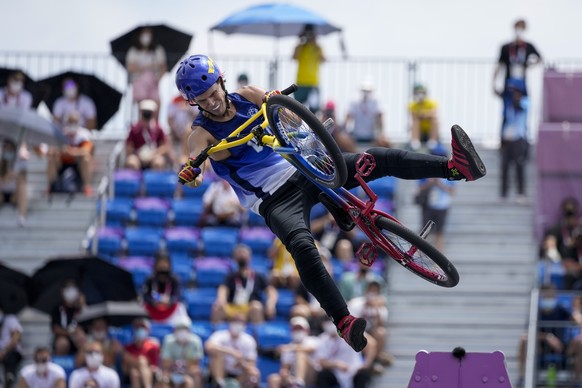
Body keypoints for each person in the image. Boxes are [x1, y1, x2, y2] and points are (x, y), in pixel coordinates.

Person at [176, 54, 486, 353]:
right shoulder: (201, 134)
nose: (210, 102)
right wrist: (191, 173)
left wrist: (280, 107)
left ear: (221, 81)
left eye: (212, 92)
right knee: (302, 246)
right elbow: (195, 168)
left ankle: (455, 168)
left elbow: (282, 110)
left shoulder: (247, 95)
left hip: (307, 165)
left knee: (377, 158)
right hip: (274, 198)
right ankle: (343, 320)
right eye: (201, 100)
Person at [211, 244, 278, 323]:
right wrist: (221, 301)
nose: (241, 255)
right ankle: (217, 333)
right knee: (217, 308)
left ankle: (258, 333)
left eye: (244, 253)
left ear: (250, 257)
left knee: (256, 307)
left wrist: (271, 304)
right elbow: (223, 289)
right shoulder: (230, 276)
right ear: (234, 258)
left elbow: (271, 291)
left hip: (249, 308)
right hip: (233, 307)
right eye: (239, 253)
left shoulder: (258, 276)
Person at [312, 318, 377, 388]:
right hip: (335, 372)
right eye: (326, 323)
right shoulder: (323, 339)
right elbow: (321, 361)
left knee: (363, 375)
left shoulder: (349, 332)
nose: (329, 325)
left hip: (355, 370)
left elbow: (371, 344)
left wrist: (366, 364)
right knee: (322, 375)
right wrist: (336, 364)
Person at [414, 146, 456, 252]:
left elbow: (452, 191)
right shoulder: (425, 171)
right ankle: (420, 257)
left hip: (442, 206)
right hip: (428, 204)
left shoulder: (450, 173)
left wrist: (439, 184)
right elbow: (419, 188)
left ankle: (438, 260)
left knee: (439, 233)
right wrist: (430, 182)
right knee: (424, 233)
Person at [347, 281, 393, 371]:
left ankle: (376, 360)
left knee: (381, 332)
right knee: (371, 342)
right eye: (371, 290)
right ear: (366, 291)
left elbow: (380, 325)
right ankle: (373, 363)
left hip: (371, 331)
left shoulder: (380, 308)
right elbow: (350, 322)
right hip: (355, 331)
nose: (372, 293)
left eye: (375, 291)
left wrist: (376, 309)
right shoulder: (356, 303)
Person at [205, 314, 260, 388]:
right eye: (236, 322)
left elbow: (251, 363)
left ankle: (237, 386)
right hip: (222, 370)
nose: (238, 325)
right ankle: (220, 384)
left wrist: (242, 363)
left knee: (254, 372)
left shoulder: (249, 340)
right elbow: (208, 346)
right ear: (230, 323)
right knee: (216, 354)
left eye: (241, 323)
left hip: (238, 373)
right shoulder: (220, 335)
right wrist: (231, 352)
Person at [46, 111, 94, 197]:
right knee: (51, 159)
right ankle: (51, 186)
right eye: (70, 122)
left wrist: (71, 151)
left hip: (77, 165)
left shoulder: (84, 135)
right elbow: (50, 151)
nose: (72, 125)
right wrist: (59, 150)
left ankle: (87, 186)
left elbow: (86, 151)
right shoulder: (61, 134)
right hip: (62, 163)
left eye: (74, 122)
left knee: (86, 158)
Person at [499, 79, 529, 203]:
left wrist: (515, 99)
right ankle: (504, 193)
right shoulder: (509, 104)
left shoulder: (525, 101)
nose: (513, 93)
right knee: (505, 166)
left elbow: (521, 108)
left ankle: (520, 193)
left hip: (519, 139)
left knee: (519, 166)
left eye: (515, 90)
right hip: (508, 139)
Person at [267, 316, 318, 388]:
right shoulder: (288, 347)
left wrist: (290, 348)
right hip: (293, 376)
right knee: (273, 378)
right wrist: (285, 374)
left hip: (312, 375)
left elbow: (311, 349)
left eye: (300, 329)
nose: (297, 331)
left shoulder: (312, 340)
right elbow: (285, 367)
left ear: (306, 330)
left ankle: (299, 383)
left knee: (300, 354)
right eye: (295, 329)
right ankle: (296, 383)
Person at [125, 99, 174, 171]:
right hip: (138, 157)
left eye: (148, 112)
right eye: (145, 112)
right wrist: (138, 155)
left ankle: (155, 182)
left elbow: (164, 146)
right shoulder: (134, 129)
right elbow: (129, 147)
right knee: (131, 162)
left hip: (153, 157)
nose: (146, 115)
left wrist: (153, 154)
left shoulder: (158, 128)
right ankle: (133, 181)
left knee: (158, 162)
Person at [142, 255, 190, 326]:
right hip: (152, 309)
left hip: (171, 309)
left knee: (183, 313)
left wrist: (169, 301)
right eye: (160, 263)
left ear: (169, 265)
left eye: (165, 263)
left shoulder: (175, 280)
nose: (163, 266)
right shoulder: (150, 279)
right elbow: (145, 296)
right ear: (156, 265)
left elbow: (177, 295)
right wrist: (153, 302)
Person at [125, 26, 167, 105]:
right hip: (139, 81)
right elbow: (130, 67)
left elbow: (163, 67)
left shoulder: (158, 50)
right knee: (142, 103)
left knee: (156, 103)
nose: (146, 36)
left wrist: (159, 77)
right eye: (144, 33)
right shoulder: (133, 51)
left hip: (154, 82)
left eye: (148, 33)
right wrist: (146, 67)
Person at [159, 317, 204, 388]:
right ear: (175, 330)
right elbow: (165, 363)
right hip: (172, 370)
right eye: (180, 329)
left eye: (185, 329)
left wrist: (182, 364)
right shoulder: (168, 340)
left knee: (196, 372)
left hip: (187, 370)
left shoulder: (195, 341)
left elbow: (196, 362)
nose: (182, 331)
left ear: (189, 330)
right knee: (163, 377)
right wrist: (177, 364)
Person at [344, 81, 390, 147]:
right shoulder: (354, 101)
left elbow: (380, 117)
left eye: (368, 91)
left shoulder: (375, 101)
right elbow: (348, 117)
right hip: (356, 135)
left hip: (372, 136)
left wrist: (381, 134)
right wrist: (346, 133)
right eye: (364, 91)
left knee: (386, 144)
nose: (365, 93)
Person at [292, 24, 324, 113]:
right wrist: (301, 41)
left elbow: (323, 59)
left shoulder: (318, 48)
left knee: (314, 109)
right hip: (301, 82)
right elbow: (294, 57)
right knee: (297, 110)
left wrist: (315, 43)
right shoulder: (300, 47)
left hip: (313, 83)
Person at [50, 280, 86, 356]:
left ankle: (83, 364)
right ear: (62, 291)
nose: (71, 291)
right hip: (65, 337)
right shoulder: (58, 309)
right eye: (68, 288)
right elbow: (55, 328)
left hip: (80, 338)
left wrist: (83, 306)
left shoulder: (81, 308)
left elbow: (88, 326)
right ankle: (61, 363)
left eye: (73, 288)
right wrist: (70, 333)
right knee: (62, 342)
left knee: (83, 340)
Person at [122, 318, 160, 388]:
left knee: (139, 365)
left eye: (142, 327)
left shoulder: (152, 346)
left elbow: (154, 367)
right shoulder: (128, 348)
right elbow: (125, 369)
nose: (140, 329)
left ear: (147, 330)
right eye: (137, 327)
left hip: (149, 373)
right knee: (135, 371)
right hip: (130, 372)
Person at [0, 139, 29, 226]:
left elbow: (23, 179)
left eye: (10, 149)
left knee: (22, 185)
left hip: (14, 195)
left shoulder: (20, 163)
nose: (8, 151)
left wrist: (14, 175)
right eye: (7, 149)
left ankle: (21, 217)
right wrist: (7, 176)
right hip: (1, 194)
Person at [408, 83, 440, 151]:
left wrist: (421, 114)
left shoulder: (432, 103)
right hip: (419, 132)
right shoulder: (412, 105)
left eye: (421, 92)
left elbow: (434, 114)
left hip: (429, 131)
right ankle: (415, 141)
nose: (420, 94)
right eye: (418, 92)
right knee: (415, 120)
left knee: (434, 120)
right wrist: (426, 114)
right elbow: (414, 115)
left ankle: (432, 141)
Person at [0, 307, 23, 387]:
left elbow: (15, 338)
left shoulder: (10, 319)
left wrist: (3, 352)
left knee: (10, 357)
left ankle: (9, 376)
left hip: (11, 351)